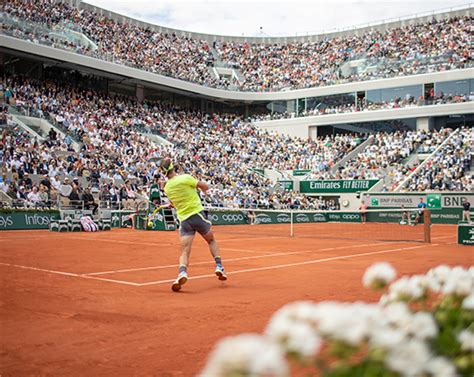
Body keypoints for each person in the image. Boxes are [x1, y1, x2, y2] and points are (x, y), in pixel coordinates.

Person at [160, 158, 227, 292]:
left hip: (185, 221)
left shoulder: (166, 187)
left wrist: (171, 204)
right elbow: (205, 185)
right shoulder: (185, 178)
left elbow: (173, 203)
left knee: (184, 251)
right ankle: (219, 266)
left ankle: (182, 272)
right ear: (174, 168)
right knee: (211, 240)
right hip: (197, 215)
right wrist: (202, 189)